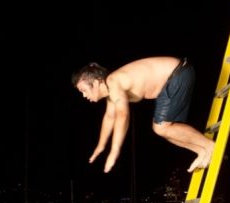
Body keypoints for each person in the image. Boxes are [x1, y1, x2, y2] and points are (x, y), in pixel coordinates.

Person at [72, 57, 216, 173]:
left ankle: (209, 146)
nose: (84, 95)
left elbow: (123, 115)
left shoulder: (113, 82)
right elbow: (110, 118)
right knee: (162, 130)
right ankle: (201, 150)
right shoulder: (111, 92)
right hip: (172, 79)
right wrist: (101, 147)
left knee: (161, 128)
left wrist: (114, 151)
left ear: (96, 83)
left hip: (178, 73)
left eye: (84, 90)